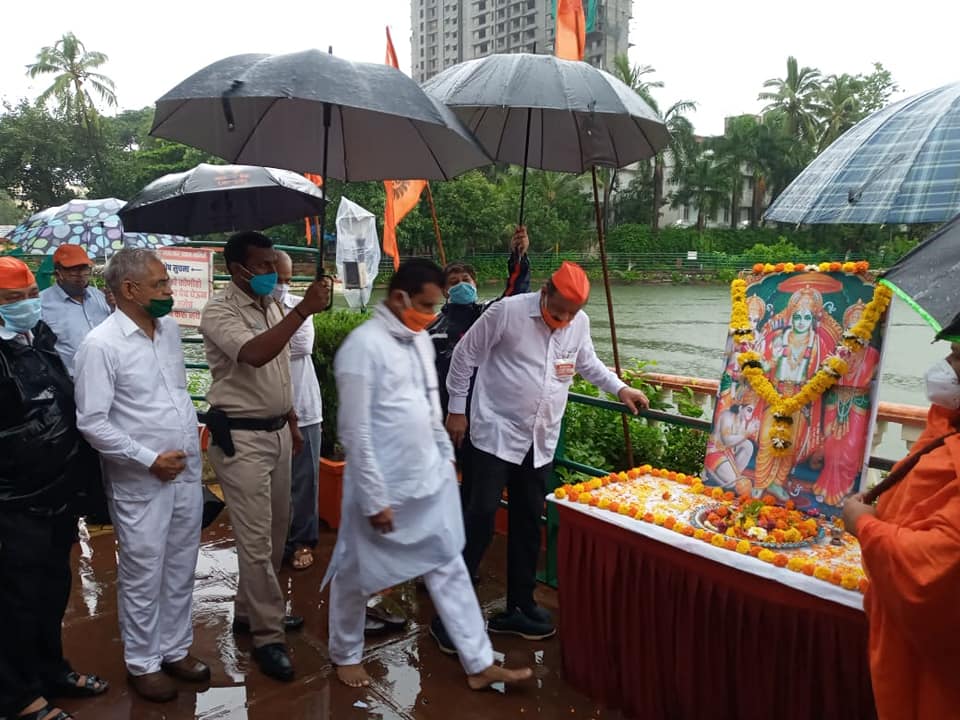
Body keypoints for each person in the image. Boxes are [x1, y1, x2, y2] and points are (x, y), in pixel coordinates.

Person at [322, 258, 533, 690]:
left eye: (435, 306)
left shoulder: (417, 338)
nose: (432, 314)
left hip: (428, 480)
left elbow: (430, 407)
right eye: (425, 304)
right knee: (356, 573)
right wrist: (375, 497)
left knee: (449, 565)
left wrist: (443, 464)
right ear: (399, 298)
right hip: (381, 484)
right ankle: (345, 653)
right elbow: (356, 433)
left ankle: (477, 662)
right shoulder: (363, 349)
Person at [442, 261, 649, 642]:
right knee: (479, 519)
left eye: (572, 315)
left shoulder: (578, 323)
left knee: (525, 523)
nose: (564, 320)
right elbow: (464, 357)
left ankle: (520, 606)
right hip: (494, 434)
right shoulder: (506, 313)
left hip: (539, 441)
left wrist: (621, 389)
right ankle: (448, 615)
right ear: (544, 292)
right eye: (558, 312)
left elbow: (587, 364)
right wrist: (457, 410)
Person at [74, 249, 209, 703]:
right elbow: (93, 422)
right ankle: (143, 662)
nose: (169, 291)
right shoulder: (101, 344)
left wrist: (191, 436)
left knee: (180, 566)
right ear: (129, 290)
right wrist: (147, 457)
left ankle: (174, 649)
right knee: (143, 572)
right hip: (142, 481)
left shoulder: (167, 330)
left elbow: (172, 394)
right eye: (161, 284)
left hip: (185, 472)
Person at [199, 231, 331, 682]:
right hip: (241, 439)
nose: (272, 273)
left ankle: (247, 613)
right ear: (238, 269)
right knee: (255, 542)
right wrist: (302, 310)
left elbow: (280, 372)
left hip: (276, 432)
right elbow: (256, 354)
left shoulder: (272, 304)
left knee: (275, 535)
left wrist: (292, 421)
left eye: (274, 264)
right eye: (263, 265)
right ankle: (268, 637)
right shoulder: (219, 310)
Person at [0, 257, 108, 720]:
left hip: (55, 491)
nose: (25, 306)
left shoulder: (36, 339)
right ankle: (14, 695)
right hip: (11, 500)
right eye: (11, 299)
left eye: (28, 296)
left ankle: (51, 670)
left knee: (51, 587)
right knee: (14, 598)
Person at [842, 346, 960, 720]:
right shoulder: (946, 426)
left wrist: (864, 524)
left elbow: (932, 566)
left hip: (937, 663)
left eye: (957, 356)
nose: (945, 365)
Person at [273, 251, 322, 571]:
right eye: (276, 278)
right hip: (266, 411)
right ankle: (277, 541)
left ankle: (303, 540)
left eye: (287, 280)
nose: (281, 285)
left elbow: (300, 346)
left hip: (303, 405)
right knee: (271, 484)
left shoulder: (298, 307)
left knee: (305, 481)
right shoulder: (243, 312)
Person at [39, 244, 111, 376]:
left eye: (84, 268)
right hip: (71, 380)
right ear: (58, 273)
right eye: (72, 269)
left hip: (110, 372)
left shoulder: (99, 297)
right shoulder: (42, 305)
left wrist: (115, 307)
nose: (80, 275)